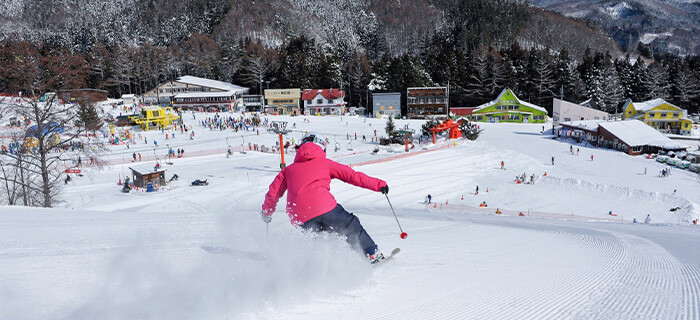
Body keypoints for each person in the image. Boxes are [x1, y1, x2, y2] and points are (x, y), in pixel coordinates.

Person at [261, 133, 389, 263]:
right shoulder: (325, 163)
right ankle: (371, 254)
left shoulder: (287, 170)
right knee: (350, 225)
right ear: (322, 149)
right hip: (324, 207)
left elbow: (273, 193)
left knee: (323, 238)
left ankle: (325, 265)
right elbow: (353, 176)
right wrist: (379, 185)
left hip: (298, 216)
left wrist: (267, 212)